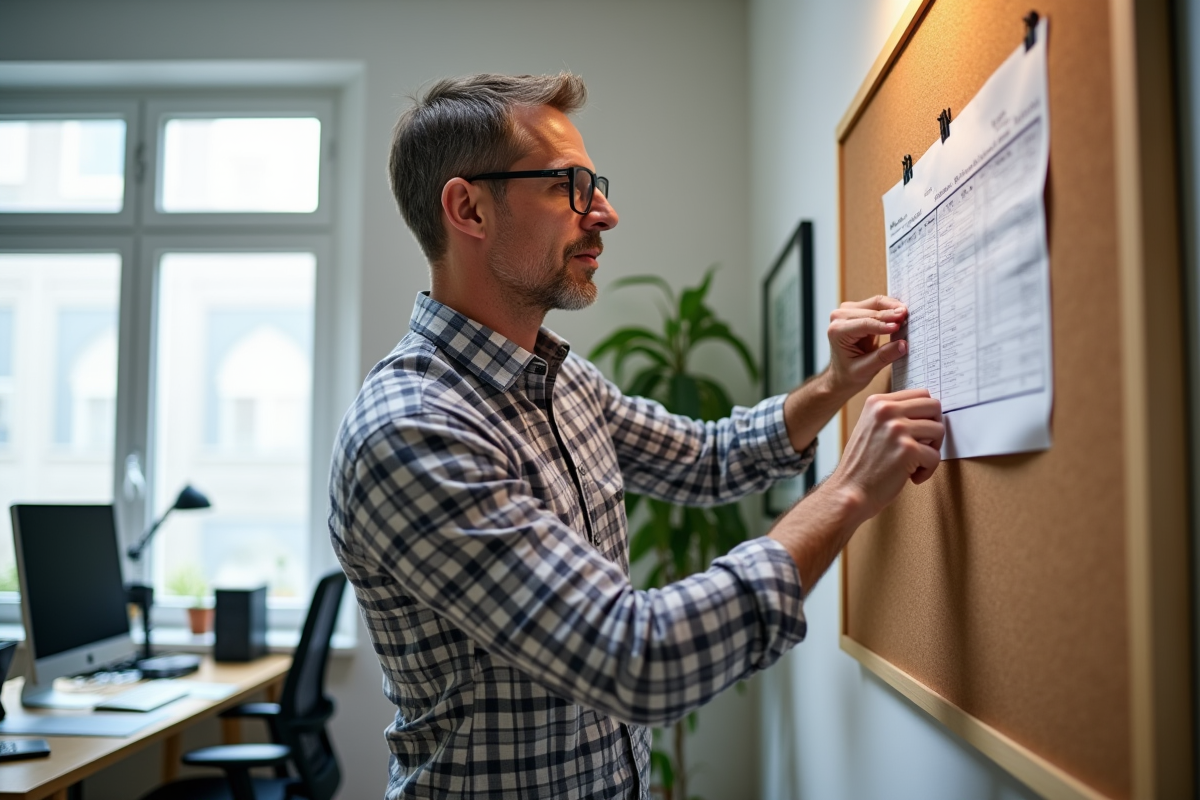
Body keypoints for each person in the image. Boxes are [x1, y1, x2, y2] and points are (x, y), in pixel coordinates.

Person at [328, 73, 944, 799]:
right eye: (568, 186)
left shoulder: (560, 379)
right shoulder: (413, 431)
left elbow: (711, 459)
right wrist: (845, 491)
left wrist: (836, 384)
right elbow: (637, 658)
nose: (606, 213)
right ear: (468, 209)